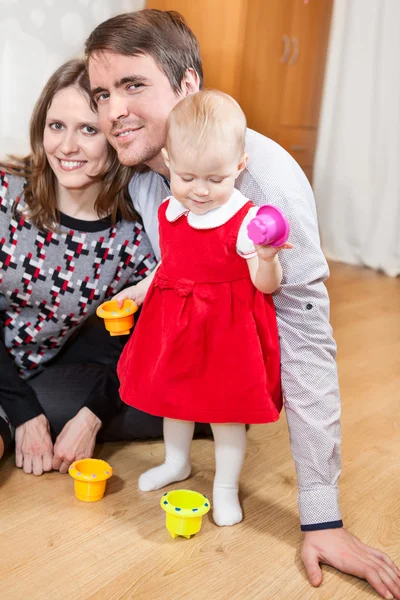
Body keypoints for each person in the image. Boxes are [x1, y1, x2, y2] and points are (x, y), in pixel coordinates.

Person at [85, 9, 400, 598]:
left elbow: (306, 338)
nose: (112, 111)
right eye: (102, 93)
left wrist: (321, 515)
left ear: (187, 86)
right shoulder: (143, 171)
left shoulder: (268, 186)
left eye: (133, 86)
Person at [114, 90, 292, 526]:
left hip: (226, 330)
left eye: (215, 179)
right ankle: (177, 462)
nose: (200, 191)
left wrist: (268, 259)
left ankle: (226, 487)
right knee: (175, 401)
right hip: (174, 323)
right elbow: (169, 263)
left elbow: (264, 286)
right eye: (189, 176)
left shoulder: (247, 220)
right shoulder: (169, 210)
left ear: (239, 167)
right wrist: (140, 289)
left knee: (226, 414)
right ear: (170, 163)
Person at [0, 58, 171, 476]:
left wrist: (92, 413)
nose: (67, 146)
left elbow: (137, 342)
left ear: (115, 138)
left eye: (88, 130)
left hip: (30, 371)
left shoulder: (131, 240)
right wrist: (24, 412)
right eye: (56, 126)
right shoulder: (6, 196)